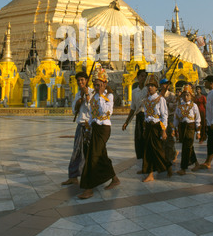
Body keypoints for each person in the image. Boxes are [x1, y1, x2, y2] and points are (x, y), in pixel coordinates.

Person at [78, 67, 120, 199]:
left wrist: (101, 95)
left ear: (105, 83)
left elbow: (106, 112)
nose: (96, 87)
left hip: (104, 129)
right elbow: (92, 114)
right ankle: (114, 179)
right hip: (95, 127)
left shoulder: (109, 96)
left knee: (93, 156)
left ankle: (89, 187)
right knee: (101, 155)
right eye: (95, 85)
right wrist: (88, 126)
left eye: (99, 85)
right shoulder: (95, 96)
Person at [61, 71, 93, 186]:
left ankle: (91, 176)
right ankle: (73, 176)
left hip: (90, 126)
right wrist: (79, 103)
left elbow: (94, 110)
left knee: (91, 153)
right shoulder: (77, 94)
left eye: (82, 80)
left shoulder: (93, 92)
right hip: (80, 126)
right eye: (78, 80)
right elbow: (74, 110)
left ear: (87, 80)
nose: (80, 82)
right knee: (77, 151)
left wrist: (87, 96)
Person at [141, 74, 173, 182]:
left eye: (152, 85)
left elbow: (164, 116)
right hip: (148, 127)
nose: (150, 87)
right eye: (148, 85)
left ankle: (168, 166)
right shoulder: (145, 100)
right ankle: (150, 173)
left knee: (158, 150)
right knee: (148, 151)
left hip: (157, 127)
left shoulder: (160, 100)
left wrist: (164, 130)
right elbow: (145, 115)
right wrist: (144, 128)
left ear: (156, 88)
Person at [172, 85, 201, 175]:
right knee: (188, 146)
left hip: (191, 127)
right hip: (182, 127)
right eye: (184, 95)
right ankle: (196, 163)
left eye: (188, 95)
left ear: (191, 96)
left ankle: (183, 168)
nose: (186, 97)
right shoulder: (179, 107)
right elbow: (176, 119)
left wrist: (198, 132)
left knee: (186, 147)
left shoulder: (194, 106)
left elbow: (198, 119)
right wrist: (173, 129)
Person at [122, 69, 148, 163]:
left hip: (148, 117)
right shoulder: (134, 92)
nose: (143, 78)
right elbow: (133, 108)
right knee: (139, 139)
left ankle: (148, 164)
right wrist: (127, 122)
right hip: (139, 117)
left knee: (147, 140)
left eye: (145, 76)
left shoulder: (148, 90)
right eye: (141, 76)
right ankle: (143, 162)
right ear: (137, 77)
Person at [159, 78, 178, 163]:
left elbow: (174, 106)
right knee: (162, 137)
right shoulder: (158, 95)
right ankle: (164, 154)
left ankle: (172, 154)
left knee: (170, 136)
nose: (166, 86)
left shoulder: (172, 95)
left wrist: (165, 103)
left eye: (167, 84)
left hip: (170, 117)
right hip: (161, 118)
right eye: (164, 84)